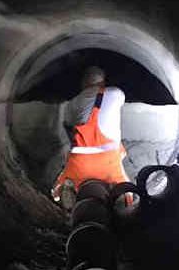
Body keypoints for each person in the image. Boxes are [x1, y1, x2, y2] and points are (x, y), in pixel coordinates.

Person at [51, 66, 128, 204]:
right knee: (128, 195)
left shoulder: (70, 105)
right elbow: (118, 101)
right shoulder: (115, 93)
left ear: (83, 84)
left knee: (59, 192)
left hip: (79, 163)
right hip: (109, 162)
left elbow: (71, 133)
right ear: (103, 83)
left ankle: (66, 204)